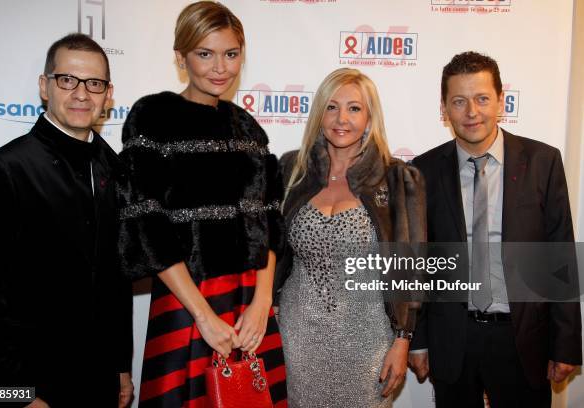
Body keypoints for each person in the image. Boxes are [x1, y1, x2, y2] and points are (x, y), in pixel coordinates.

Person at [117, 1, 287, 406]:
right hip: (187, 302)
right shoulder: (153, 117)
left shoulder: (248, 126)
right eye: (204, 54)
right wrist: (204, 316)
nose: (220, 68)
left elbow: (270, 222)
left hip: (249, 305)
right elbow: (148, 225)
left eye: (231, 54)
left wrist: (263, 302)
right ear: (180, 56)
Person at [408, 51, 582, 407]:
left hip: (523, 340)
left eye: (482, 98)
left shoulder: (542, 162)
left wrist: (565, 343)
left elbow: (558, 254)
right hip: (452, 338)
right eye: (459, 101)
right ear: (444, 108)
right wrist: (418, 339)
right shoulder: (422, 171)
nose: (472, 112)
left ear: (501, 100)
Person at [0, 33, 133, 407]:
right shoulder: (1, 170)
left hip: (97, 381)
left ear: (108, 94)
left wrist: (120, 365)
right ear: (45, 87)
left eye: (94, 83)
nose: (81, 93)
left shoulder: (116, 169)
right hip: (28, 386)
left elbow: (115, 280)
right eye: (67, 80)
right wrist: (13, 397)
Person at [277, 68, 425, 407]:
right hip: (297, 333)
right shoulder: (291, 171)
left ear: (370, 117)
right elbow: (272, 251)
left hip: (369, 336)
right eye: (332, 107)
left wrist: (402, 340)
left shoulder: (399, 178)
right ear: (319, 113)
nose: (341, 118)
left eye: (354, 108)